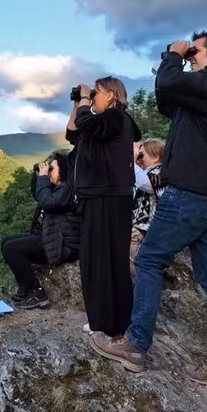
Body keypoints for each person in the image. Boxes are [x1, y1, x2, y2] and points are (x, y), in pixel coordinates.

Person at [89, 31, 207, 387]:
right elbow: (166, 97)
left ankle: (135, 346)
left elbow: (168, 82)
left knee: (149, 260)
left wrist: (175, 56)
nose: (191, 56)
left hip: (190, 191)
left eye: (196, 51)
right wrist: (173, 65)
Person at [66, 76, 141, 339]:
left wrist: (85, 99)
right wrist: (78, 102)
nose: (93, 97)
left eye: (97, 93)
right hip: (105, 197)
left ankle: (105, 323)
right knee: (105, 260)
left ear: (111, 95)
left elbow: (86, 123)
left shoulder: (115, 118)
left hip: (106, 197)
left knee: (100, 261)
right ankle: (114, 321)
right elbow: (73, 132)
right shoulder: (104, 125)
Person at [0, 152, 81, 310]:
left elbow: (47, 202)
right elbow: (38, 195)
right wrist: (38, 176)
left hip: (62, 244)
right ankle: (25, 287)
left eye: (52, 168)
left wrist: (44, 178)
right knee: (6, 241)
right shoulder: (56, 189)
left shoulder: (66, 191)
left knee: (12, 248)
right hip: (51, 238)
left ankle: (36, 293)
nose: (49, 172)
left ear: (63, 171)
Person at [130, 139, 166, 273]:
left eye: (142, 155)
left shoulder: (162, 171)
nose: (140, 158)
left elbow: (147, 184)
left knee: (136, 270)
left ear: (156, 157)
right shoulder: (144, 172)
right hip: (137, 228)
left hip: (145, 230)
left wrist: (131, 160)